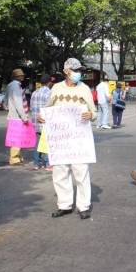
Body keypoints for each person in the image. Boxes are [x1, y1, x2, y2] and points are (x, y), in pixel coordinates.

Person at [38, 58, 97, 220]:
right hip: (60, 140)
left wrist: (90, 114)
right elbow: (48, 108)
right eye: (75, 70)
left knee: (81, 171)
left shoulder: (85, 89)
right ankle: (64, 205)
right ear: (66, 71)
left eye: (80, 71)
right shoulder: (56, 88)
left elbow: (94, 112)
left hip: (78, 139)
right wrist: (42, 117)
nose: (78, 74)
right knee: (60, 172)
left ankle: (84, 206)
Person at [5, 68, 29, 165]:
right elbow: (19, 103)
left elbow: (5, 99)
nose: (22, 77)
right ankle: (14, 159)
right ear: (18, 77)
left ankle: (19, 157)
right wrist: (24, 117)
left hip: (13, 115)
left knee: (18, 138)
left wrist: (7, 107)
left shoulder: (11, 86)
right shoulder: (16, 86)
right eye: (21, 76)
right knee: (16, 139)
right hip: (17, 117)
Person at [30, 74, 53, 171]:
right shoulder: (49, 93)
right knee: (47, 142)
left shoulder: (34, 93)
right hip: (45, 122)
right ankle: (48, 164)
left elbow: (31, 107)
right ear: (49, 83)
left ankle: (36, 163)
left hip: (35, 121)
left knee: (38, 142)